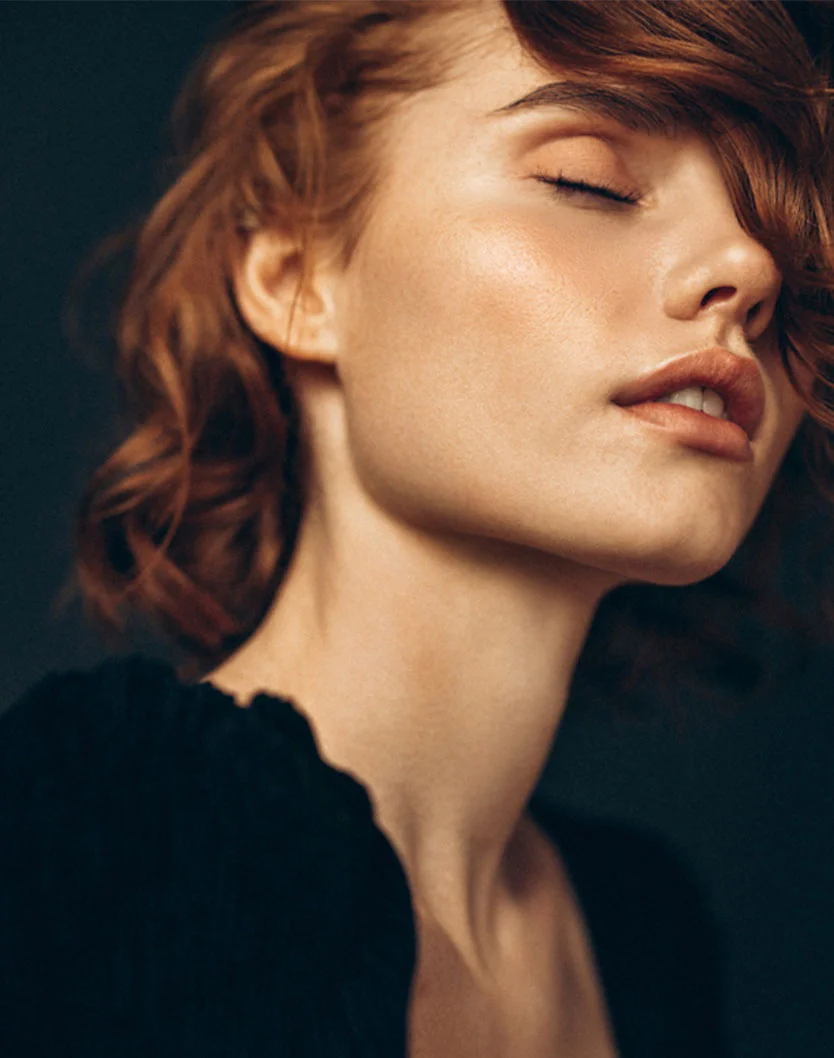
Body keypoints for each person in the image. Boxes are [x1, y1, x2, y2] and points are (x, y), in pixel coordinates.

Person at [2, 1, 833, 1055]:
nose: (748, 271)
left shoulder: (645, 935)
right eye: (592, 182)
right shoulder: (98, 831)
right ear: (299, 279)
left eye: (790, 241)